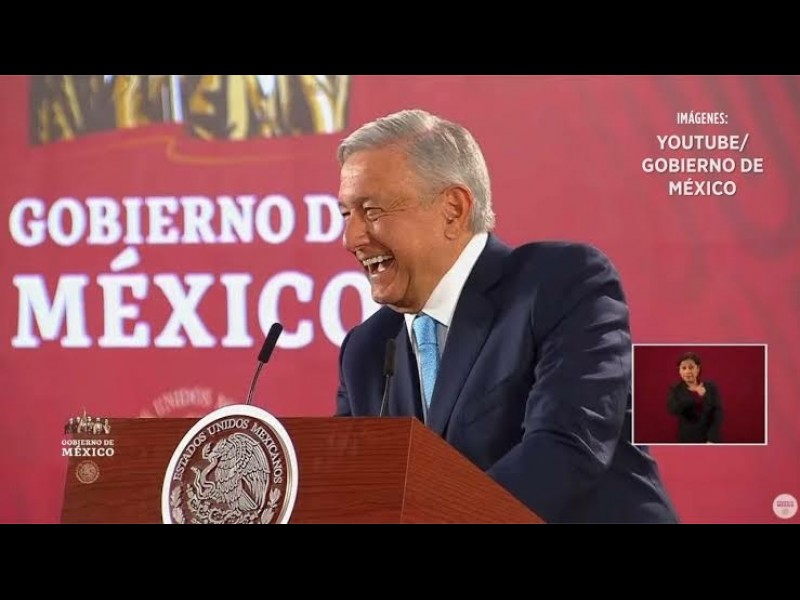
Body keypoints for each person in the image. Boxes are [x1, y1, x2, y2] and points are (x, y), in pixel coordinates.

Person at [334, 108, 678, 524]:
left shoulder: (559, 284)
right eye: (346, 215)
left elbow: (565, 447)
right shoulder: (366, 350)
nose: (351, 238)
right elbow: (354, 493)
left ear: (453, 209)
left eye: (372, 211)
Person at [667, 352, 723, 443]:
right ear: (679, 371)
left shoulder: (710, 387)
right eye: (684, 368)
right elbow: (673, 409)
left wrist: (712, 438)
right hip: (687, 438)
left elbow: (718, 413)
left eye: (691, 367)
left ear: (698, 369)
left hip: (710, 439)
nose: (687, 371)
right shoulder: (676, 389)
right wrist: (696, 395)